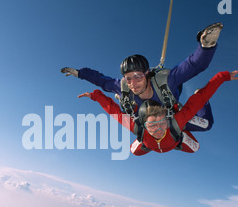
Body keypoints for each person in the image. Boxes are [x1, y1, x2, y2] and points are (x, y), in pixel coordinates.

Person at [62, 23, 223, 132]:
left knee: (206, 124)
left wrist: (206, 46)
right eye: (128, 78)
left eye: (138, 76)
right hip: (146, 116)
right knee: (137, 121)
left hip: (171, 114)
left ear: (147, 74)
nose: (133, 83)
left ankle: (200, 99)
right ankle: (123, 100)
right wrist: (79, 73)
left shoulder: (166, 81)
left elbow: (194, 65)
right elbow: (101, 80)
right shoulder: (123, 85)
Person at [78, 70, 238, 155]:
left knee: (203, 131)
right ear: (145, 124)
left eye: (160, 124)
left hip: (178, 132)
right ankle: (127, 100)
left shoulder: (176, 122)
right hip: (162, 138)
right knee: (133, 151)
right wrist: (96, 96)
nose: (157, 130)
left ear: (167, 120)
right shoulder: (138, 128)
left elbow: (199, 99)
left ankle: (179, 133)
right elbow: (113, 111)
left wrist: (222, 77)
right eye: (152, 125)